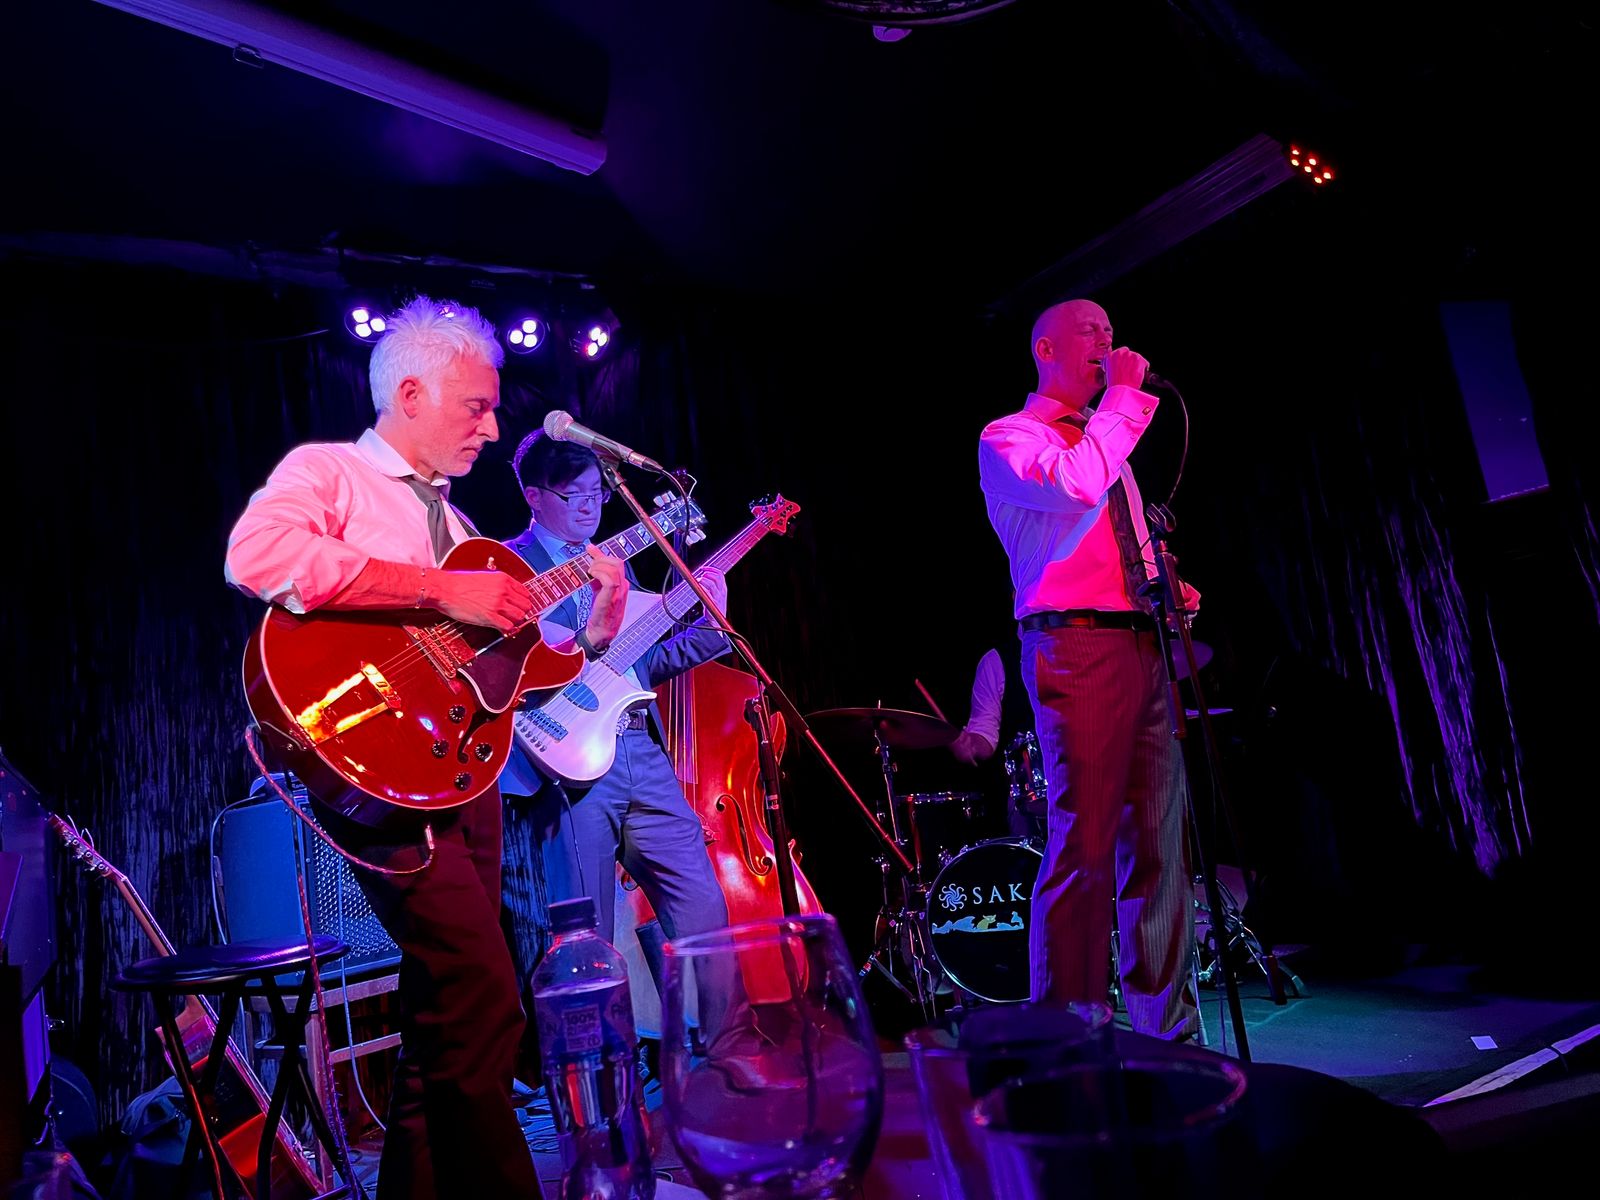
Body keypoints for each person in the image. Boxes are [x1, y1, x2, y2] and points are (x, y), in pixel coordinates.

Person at [225, 296, 627, 1199]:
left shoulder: (461, 527)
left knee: (443, 1007)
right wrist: (440, 591)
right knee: (484, 992)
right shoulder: (331, 473)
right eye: (475, 408)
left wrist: (593, 636)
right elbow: (257, 555)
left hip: (462, 775)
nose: (492, 428)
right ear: (410, 394)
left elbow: (504, 678)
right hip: (377, 770)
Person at [976, 297, 1200, 1040]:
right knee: (1086, 845)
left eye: (1111, 329)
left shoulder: (1109, 442)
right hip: (1074, 647)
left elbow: (1111, 538)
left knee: (1160, 847)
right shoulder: (1010, 436)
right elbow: (1075, 483)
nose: (1107, 339)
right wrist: (1124, 400)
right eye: (1090, 331)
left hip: (1142, 642)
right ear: (1046, 349)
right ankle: (1068, 1037)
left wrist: (1164, 584)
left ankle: (1167, 1034)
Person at [497, 431, 745, 1056]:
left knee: (702, 905)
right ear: (534, 495)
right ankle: (603, 1080)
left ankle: (729, 1050)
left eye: (597, 493)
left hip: (640, 750)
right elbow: (514, 671)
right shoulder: (509, 568)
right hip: (567, 762)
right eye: (573, 494)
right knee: (587, 935)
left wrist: (711, 626)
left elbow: (637, 669)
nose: (589, 507)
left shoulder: (617, 564)